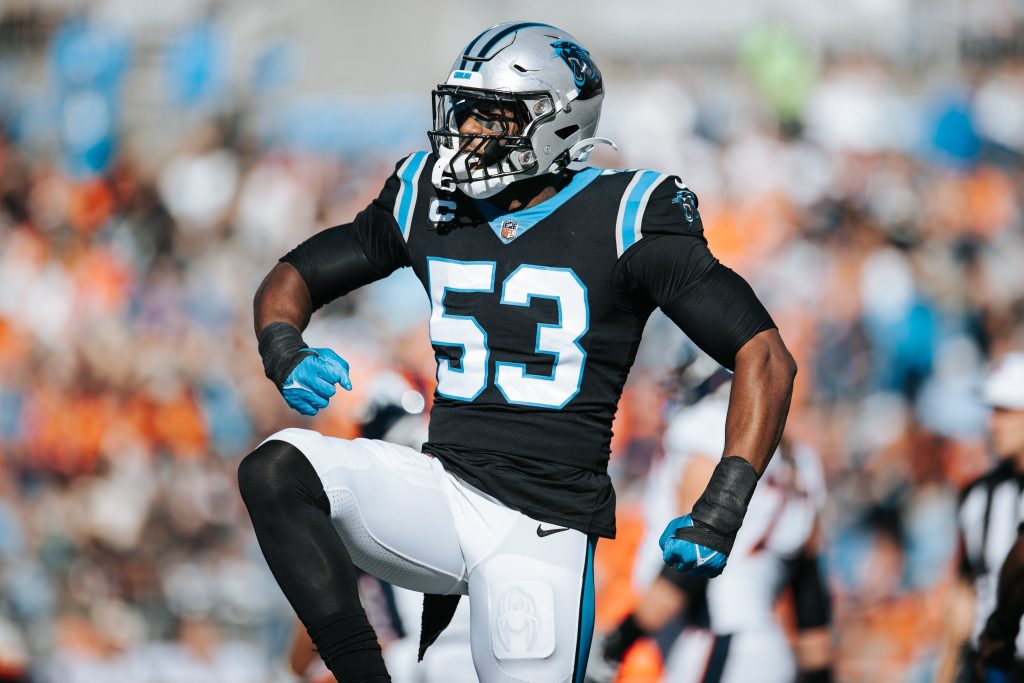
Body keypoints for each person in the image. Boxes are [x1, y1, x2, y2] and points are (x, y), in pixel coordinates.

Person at [236, 22, 797, 683]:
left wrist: (721, 507)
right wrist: (283, 346)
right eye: (464, 114)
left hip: (542, 525)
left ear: (558, 124)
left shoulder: (627, 215)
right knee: (277, 470)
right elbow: (294, 274)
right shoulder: (431, 198)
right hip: (441, 491)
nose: (467, 134)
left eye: (491, 117)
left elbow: (764, 353)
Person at [587, 366, 831, 683]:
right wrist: (818, 673)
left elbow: (695, 555)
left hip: (715, 641)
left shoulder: (707, 431)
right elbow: (810, 594)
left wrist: (618, 643)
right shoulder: (797, 456)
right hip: (768, 649)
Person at [937, 352, 1024, 682]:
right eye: (991, 411)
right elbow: (965, 592)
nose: (992, 424)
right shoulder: (978, 496)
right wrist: (944, 672)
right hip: (989, 667)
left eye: (1004, 411)